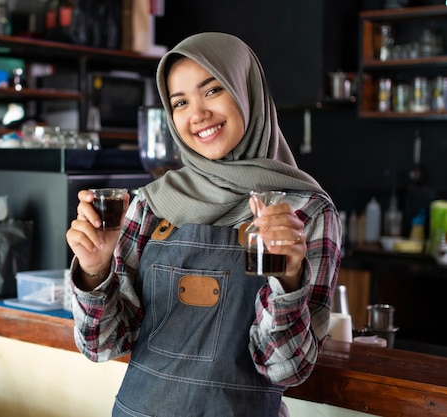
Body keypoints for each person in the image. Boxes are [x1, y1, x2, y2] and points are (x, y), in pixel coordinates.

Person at [66, 32, 342, 417]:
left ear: (247, 92)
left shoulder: (303, 211)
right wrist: (94, 271)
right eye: (180, 102)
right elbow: (101, 346)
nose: (197, 114)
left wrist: (288, 279)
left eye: (212, 91)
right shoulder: (151, 205)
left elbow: (287, 369)